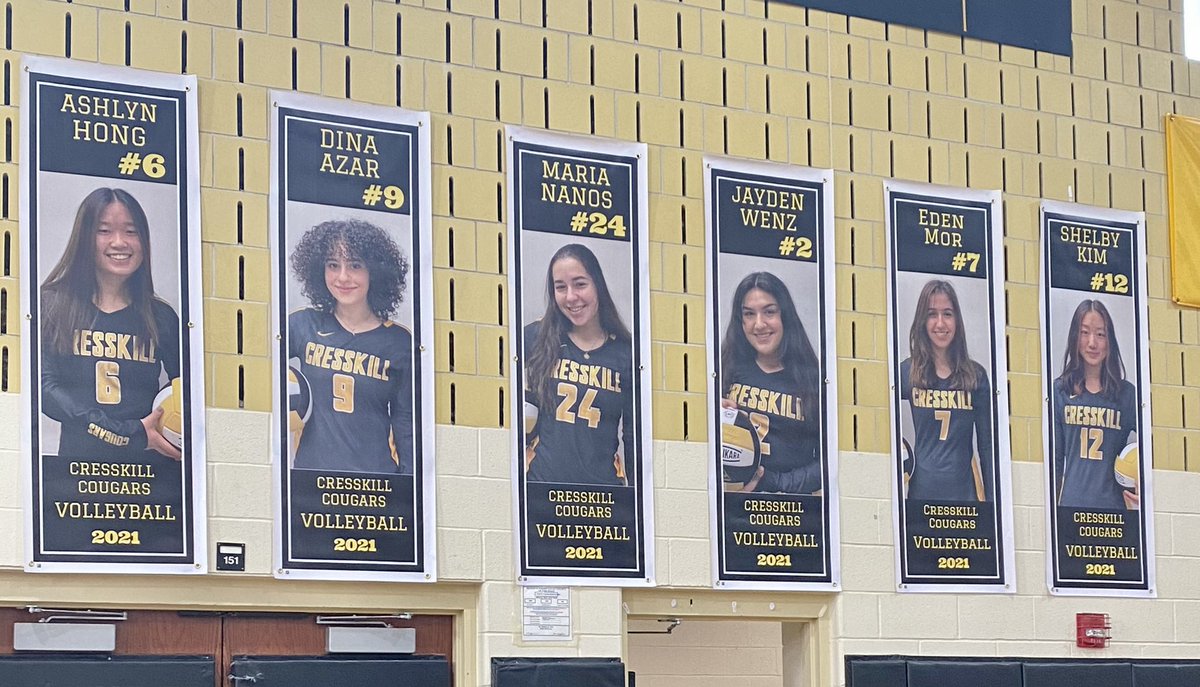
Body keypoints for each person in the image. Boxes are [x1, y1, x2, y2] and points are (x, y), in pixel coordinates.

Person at [40, 187, 181, 461]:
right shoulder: (52, 305)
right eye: (104, 231)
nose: (120, 242)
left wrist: (169, 429)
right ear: (84, 238)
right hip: (77, 473)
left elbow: (187, 390)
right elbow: (45, 390)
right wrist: (123, 432)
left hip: (148, 478)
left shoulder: (161, 317)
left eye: (131, 231)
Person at [288, 219, 413, 474]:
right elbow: (252, 378)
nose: (343, 277)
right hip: (312, 483)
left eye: (355, 265)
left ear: (374, 271)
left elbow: (407, 424)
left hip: (376, 486)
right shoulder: (302, 325)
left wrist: (408, 487)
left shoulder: (400, 342)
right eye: (333, 265)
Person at [523, 243, 635, 486]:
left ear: (598, 285)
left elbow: (633, 437)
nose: (571, 296)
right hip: (541, 491)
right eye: (560, 287)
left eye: (580, 284)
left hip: (603, 498)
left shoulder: (626, 352)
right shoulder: (536, 336)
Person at [719, 271, 823, 494]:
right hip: (732, 513)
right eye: (749, 314)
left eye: (769, 312)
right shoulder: (724, 368)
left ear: (785, 315)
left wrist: (773, 483)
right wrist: (709, 416)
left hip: (792, 515)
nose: (759, 324)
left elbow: (829, 462)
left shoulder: (814, 378)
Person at [899, 279, 993, 501]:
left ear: (957, 320)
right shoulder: (907, 372)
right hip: (921, 495)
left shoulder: (975, 376)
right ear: (922, 320)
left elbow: (987, 446)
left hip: (965, 496)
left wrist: (990, 502)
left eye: (948, 314)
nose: (940, 323)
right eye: (932, 314)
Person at [1052, 299, 1138, 510]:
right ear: (1075, 336)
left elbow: (1154, 448)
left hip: (1114, 510)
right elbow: (1055, 460)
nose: (1092, 342)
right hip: (1071, 508)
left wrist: (1146, 485)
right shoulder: (1060, 390)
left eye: (1100, 334)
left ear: (1110, 341)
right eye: (1084, 332)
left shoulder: (1126, 394)